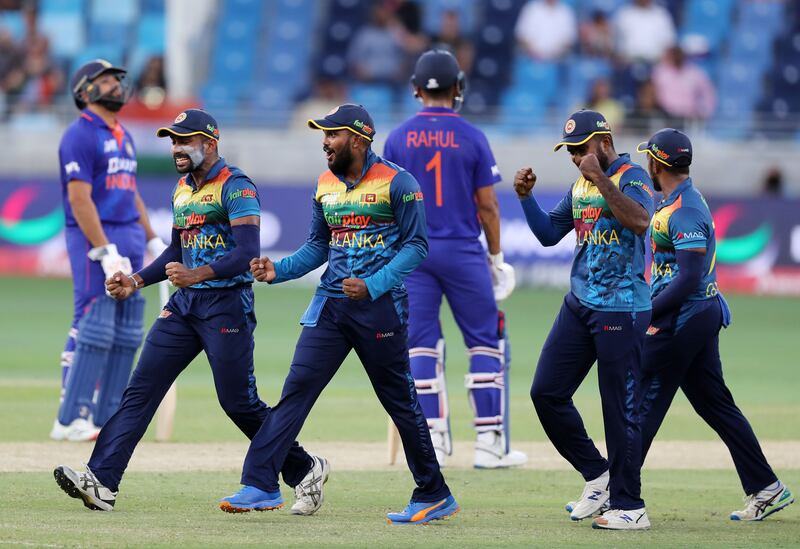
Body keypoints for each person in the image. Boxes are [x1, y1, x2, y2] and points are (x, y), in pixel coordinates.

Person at [53, 109, 324, 516]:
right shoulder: (182, 189)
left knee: (238, 403)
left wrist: (196, 274)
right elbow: (176, 251)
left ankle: (304, 468)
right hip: (184, 306)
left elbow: (247, 253)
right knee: (141, 389)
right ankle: (102, 481)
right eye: (173, 141)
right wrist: (136, 281)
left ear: (210, 144)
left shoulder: (237, 186)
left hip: (226, 306)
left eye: (185, 141)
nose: (177, 148)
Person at [218, 104, 459, 524]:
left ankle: (434, 492)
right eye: (323, 135)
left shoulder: (399, 183)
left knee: (400, 402)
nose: (325, 143)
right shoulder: (325, 184)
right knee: (296, 390)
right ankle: (260, 483)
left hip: (380, 310)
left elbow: (417, 246)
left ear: (359, 139)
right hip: (330, 307)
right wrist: (279, 270)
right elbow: (317, 246)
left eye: (333, 135)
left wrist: (374, 283)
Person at [636, 128, 795, 522]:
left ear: (659, 163)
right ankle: (766, 487)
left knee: (642, 398)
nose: (646, 165)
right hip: (695, 315)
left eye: (649, 159)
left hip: (686, 318)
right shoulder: (676, 200)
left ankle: (616, 491)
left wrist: (648, 313)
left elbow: (688, 277)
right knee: (715, 404)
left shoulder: (686, 208)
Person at [383, 49, 525, 469]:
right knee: (485, 339)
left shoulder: (396, 138)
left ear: (415, 89)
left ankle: (434, 445)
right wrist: (496, 258)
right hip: (463, 250)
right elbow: (489, 207)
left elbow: (387, 203)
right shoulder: (472, 136)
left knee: (420, 345)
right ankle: (488, 443)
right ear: (458, 88)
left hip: (414, 253)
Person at [513, 110, 655, 530]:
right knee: (546, 392)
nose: (575, 158)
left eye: (580, 149)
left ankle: (631, 506)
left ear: (604, 143)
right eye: (570, 151)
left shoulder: (632, 176)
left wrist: (601, 180)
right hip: (580, 303)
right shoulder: (580, 184)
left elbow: (640, 220)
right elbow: (547, 233)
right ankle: (598, 476)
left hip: (622, 307)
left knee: (618, 408)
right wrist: (525, 198)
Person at [51, 59, 163, 442]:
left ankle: (107, 415)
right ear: (85, 90)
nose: (116, 84)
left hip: (129, 236)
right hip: (94, 239)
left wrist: (151, 238)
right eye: (106, 80)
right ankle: (71, 416)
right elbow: (80, 199)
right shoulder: (79, 135)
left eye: (117, 79)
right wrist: (103, 250)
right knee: (93, 322)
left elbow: (130, 192)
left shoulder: (123, 134)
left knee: (128, 330)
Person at [651, 46, 716, 123]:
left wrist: (705, 112)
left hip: (690, 118)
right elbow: (652, 92)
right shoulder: (660, 71)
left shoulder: (695, 72)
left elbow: (708, 92)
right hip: (666, 116)